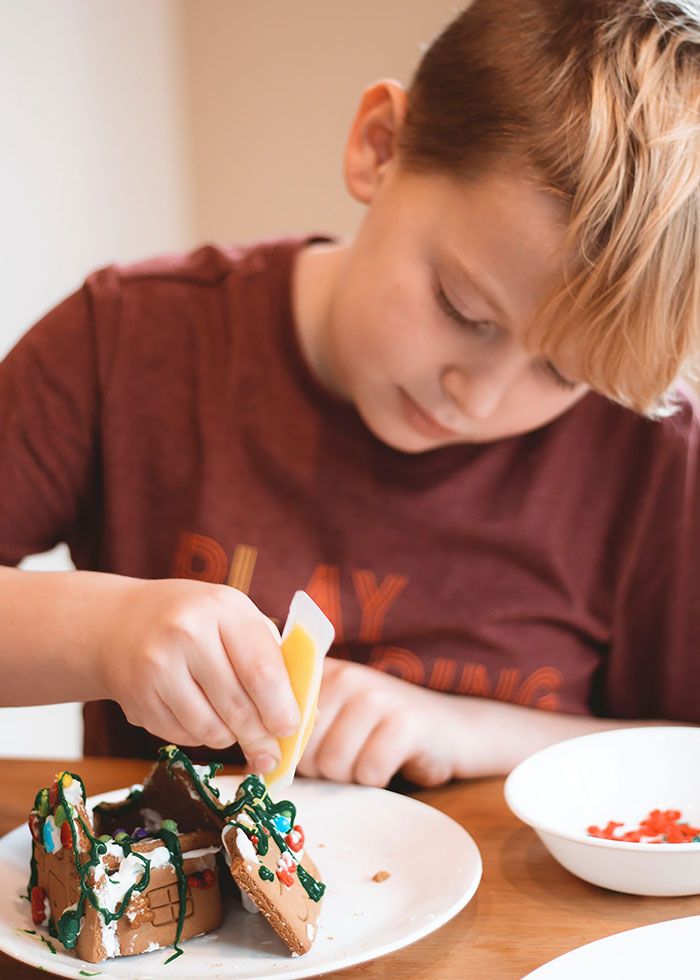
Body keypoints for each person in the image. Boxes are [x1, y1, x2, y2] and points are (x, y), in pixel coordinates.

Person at [3, 0, 700, 788]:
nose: (477, 398)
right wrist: (101, 631)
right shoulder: (128, 340)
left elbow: (684, 749)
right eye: (460, 309)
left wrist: (471, 729)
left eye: (562, 373)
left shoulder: (648, 449)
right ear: (380, 146)